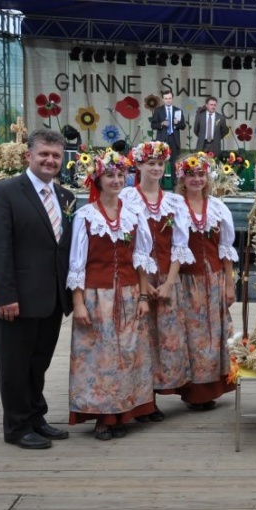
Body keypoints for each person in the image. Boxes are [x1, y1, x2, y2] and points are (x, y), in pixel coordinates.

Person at [0, 128, 75, 450]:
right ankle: (17, 427)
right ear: (28, 156)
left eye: (56, 155)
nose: (50, 160)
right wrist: (5, 295)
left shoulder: (65, 197)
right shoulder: (4, 192)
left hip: (52, 300)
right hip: (17, 300)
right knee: (14, 366)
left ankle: (36, 418)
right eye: (43, 154)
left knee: (38, 364)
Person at [67, 148, 158, 440]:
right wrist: (78, 303)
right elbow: (77, 262)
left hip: (130, 294)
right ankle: (102, 417)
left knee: (129, 354)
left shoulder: (133, 214)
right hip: (97, 296)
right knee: (101, 356)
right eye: (110, 175)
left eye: (120, 175)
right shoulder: (85, 216)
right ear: (98, 180)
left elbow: (141, 259)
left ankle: (123, 412)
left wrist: (143, 297)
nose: (117, 180)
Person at [121, 142, 195, 423]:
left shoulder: (174, 202)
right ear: (138, 165)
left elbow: (180, 245)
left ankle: (152, 397)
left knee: (163, 337)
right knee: (138, 338)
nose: (155, 168)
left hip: (166, 277)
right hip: (136, 278)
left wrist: (169, 283)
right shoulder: (127, 197)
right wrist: (143, 284)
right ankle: (140, 400)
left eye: (160, 164)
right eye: (150, 163)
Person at [176, 152, 238, 409]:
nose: (196, 179)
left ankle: (211, 389)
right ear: (182, 178)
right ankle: (193, 391)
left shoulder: (217, 207)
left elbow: (225, 249)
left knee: (214, 335)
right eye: (191, 174)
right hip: (185, 280)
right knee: (191, 335)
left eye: (201, 174)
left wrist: (229, 284)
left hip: (213, 278)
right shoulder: (175, 206)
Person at [149, 89, 187, 187]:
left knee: (175, 164)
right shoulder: (158, 110)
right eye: (166, 99)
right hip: (162, 141)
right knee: (160, 163)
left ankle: (175, 186)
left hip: (174, 140)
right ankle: (159, 186)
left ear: (172, 98)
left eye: (169, 98)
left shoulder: (178, 110)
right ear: (163, 99)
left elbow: (183, 126)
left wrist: (177, 123)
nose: (168, 100)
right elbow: (153, 125)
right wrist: (161, 124)